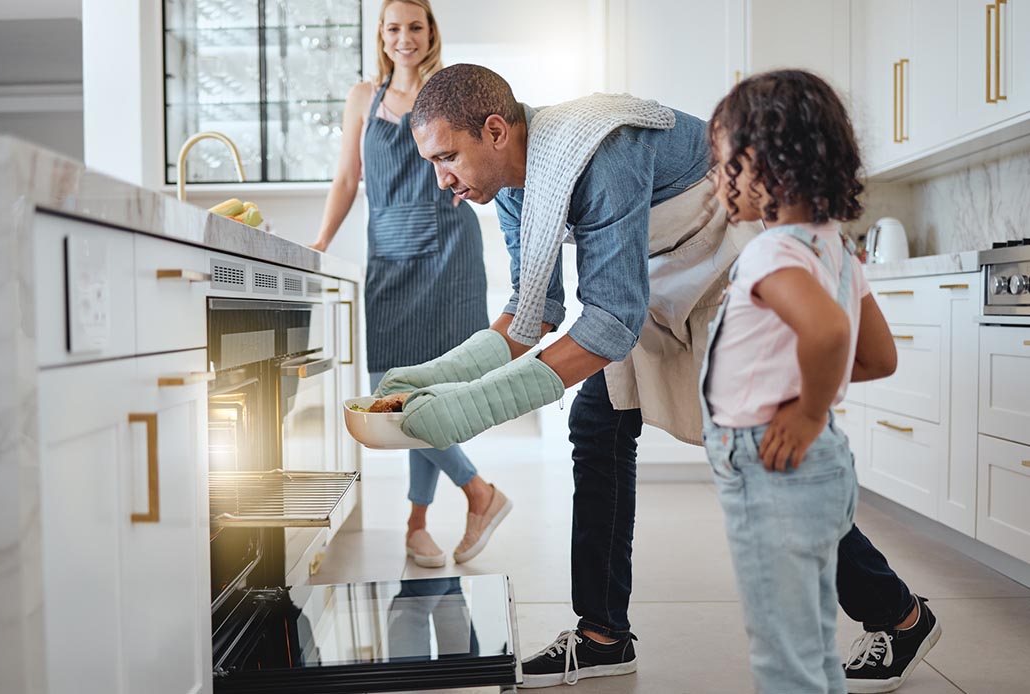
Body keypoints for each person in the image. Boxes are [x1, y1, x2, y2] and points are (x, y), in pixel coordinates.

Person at [371, 63, 941, 691]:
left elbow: (611, 323)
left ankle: (899, 614)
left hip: (725, 264)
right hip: (649, 281)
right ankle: (602, 636)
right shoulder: (508, 188)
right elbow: (534, 313)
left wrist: (469, 412)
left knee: (770, 456)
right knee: (598, 426)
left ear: (497, 131)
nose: (440, 178)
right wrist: (430, 380)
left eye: (447, 156)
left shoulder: (600, 151)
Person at [700, 69, 940, 694]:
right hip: (824, 463)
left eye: (721, 162)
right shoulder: (834, 248)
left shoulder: (771, 251)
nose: (716, 180)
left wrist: (805, 410)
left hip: (771, 462)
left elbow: (832, 334)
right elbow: (878, 355)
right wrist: (811, 398)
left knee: (785, 656)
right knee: (812, 647)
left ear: (760, 164)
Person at [309, 1, 510, 569]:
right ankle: (478, 492)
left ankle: (416, 525)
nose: (405, 37)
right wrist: (322, 238)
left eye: (415, 27)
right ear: (381, 34)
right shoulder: (362, 99)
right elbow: (348, 177)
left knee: (433, 392)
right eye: (394, 27)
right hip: (390, 257)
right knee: (390, 390)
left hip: (449, 249)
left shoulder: (446, 94)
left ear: (430, 33)